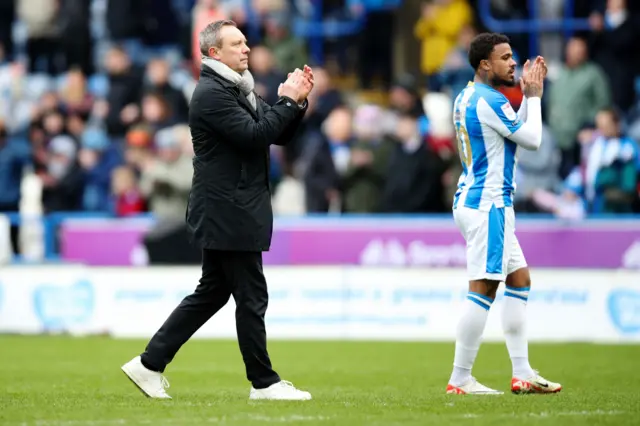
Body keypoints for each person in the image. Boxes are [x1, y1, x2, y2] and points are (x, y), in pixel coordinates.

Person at [121, 19, 314, 401]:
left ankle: (149, 363)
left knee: (212, 293)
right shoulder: (212, 93)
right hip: (228, 210)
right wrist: (286, 102)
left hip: (231, 208)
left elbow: (274, 134)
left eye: (245, 42)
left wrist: (297, 100)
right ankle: (264, 383)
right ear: (214, 53)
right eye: (236, 43)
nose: (246, 48)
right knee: (251, 295)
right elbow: (256, 135)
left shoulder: (236, 87)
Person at [446, 33, 562, 395]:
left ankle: (522, 372)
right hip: (489, 205)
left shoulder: (468, 96)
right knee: (483, 288)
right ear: (485, 64)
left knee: (519, 279)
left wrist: (527, 97)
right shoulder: (491, 100)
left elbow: (516, 133)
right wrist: (536, 99)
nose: (514, 62)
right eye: (506, 57)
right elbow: (532, 140)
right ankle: (460, 378)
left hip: (473, 199)